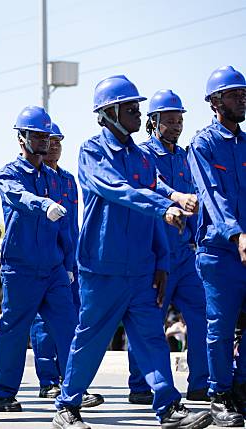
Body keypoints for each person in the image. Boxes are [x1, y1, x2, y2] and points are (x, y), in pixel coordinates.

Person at [52, 75, 211, 429]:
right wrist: (163, 207)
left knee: (152, 336)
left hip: (140, 268)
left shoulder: (141, 157)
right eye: (131, 108)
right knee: (90, 338)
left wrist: (161, 260)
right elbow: (116, 189)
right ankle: (67, 405)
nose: (139, 114)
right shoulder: (93, 151)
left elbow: (155, 204)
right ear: (109, 112)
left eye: (138, 108)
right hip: (102, 266)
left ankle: (168, 407)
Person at [0, 106, 92, 414]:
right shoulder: (9, 173)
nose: (45, 141)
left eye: (47, 135)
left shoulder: (53, 177)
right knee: (14, 331)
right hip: (20, 268)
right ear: (22, 138)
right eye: (38, 135)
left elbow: (65, 227)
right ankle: (3, 393)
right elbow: (17, 197)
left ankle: (74, 391)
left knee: (70, 328)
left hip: (54, 269)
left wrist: (69, 263)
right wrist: (43, 202)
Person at [127, 89, 210, 405]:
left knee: (201, 315)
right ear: (153, 121)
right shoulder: (143, 155)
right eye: (170, 120)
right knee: (148, 319)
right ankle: (140, 385)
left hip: (186, 253)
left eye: (180, 120)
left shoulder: (187, 156)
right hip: (153, 253)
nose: (176, 126)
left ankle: (200, 383)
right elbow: (150, 186)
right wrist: (175, 195)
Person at [28, 123, 103, 407]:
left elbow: (74, 222)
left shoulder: (69, 180)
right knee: (44, 324)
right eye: (49, 140)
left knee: (72, 321)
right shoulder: (37, 178)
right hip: (45, 258)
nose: (54, 145)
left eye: (58, 141)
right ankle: (48, 381)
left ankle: (70, 381)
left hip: (70, 258)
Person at [188, 65, 246, 427]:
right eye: (234, 93)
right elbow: (213, 198)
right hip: (220, 252)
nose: (242, 98)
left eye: (244, 93)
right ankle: (219, 395)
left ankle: (242, 387)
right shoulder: (203, 145)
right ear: (214, 102)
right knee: (220, 328)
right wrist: (238, 234)